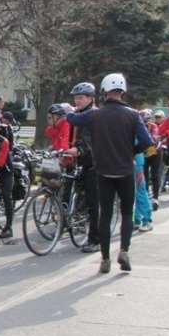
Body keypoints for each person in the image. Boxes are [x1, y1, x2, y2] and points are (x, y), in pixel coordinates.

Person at [66, 73, 152, 274]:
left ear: (103, 92)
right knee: (127, 212)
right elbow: (147, 141)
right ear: (122, 91)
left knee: (105, 214)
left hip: (103, 170)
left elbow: (73, 119)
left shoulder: (95, 114)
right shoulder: (132, 115)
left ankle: (105, 258)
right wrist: (132, 151)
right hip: (125, 170)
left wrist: (69, 111)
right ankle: (124, 250)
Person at [65, 82, 100, 253]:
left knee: (93, 202)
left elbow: (89, 139)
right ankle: (75, 220)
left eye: (80, 98)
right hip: (82, 161)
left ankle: (95, 240)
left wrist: (79, 150)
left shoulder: (93, 114)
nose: (77, 101)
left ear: (90, 98)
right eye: (75, 98)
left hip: (94, 163)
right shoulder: (80, 113)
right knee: (76, 192)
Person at [140, 109, 162, 210]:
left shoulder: (153, 126)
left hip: (155, 153)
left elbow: (153, 140)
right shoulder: (138, 126)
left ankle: (155, 197)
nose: (144, 123)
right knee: (144, 175)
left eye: (145, 120)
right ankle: (145, 195)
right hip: (144, 153)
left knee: (155, 174)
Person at [133, 148, 153, 232]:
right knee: (132, 194)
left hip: (136, 164)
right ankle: (136, 220)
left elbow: (145, 141)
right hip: (129, 163)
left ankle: (146, 220)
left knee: (140, 192)